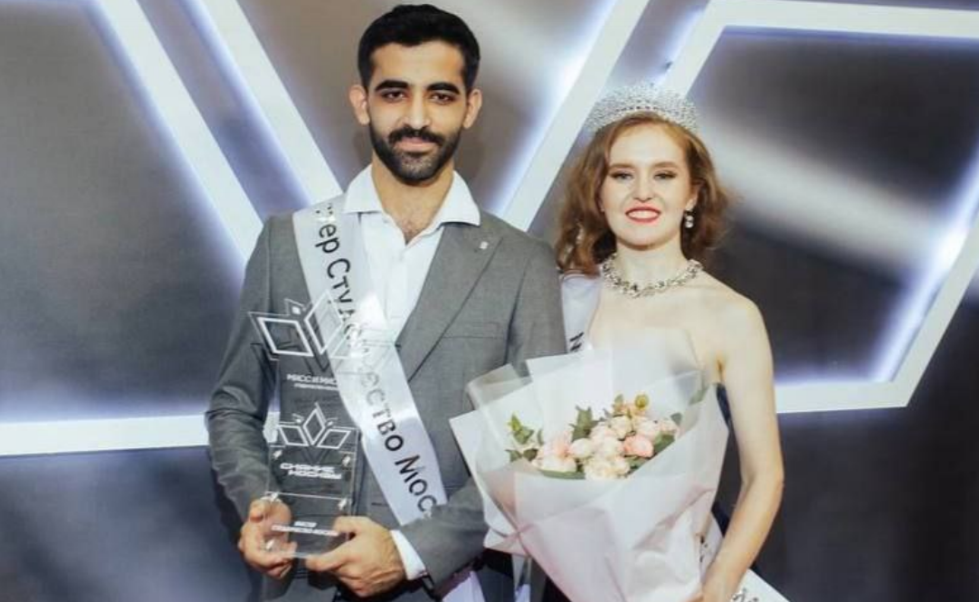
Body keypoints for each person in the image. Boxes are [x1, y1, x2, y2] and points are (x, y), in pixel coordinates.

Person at [205, 5, 565, 601]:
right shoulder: (288, 243)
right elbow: (233, 406)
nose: (416, 118)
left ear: (470, 107)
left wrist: (411, 551)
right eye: (395, 93)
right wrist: (261, 500)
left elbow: (540, 449)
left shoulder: (522, 263)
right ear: (361, 102)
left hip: (455, 585)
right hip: (306, 578)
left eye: (440, 96)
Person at [547, 83, 784, 602]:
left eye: (664, 175)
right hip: (566, 579)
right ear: (597, 190)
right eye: (622, 174)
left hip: (680, 582)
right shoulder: (560, 298)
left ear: (693, 192)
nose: (643, 193)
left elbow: (763, 474)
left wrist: (719, 583)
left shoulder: (732, 316)